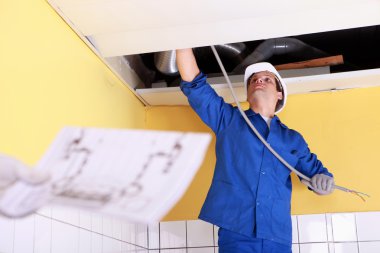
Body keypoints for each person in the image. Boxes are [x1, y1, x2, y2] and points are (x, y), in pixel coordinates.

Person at [176, 48, 334, 253]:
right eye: (253, 80)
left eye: (267, 79)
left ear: (279, 94)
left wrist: (324, 183)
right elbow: (194, 85)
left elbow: (319, 175)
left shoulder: (293, 140)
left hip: (278, 236)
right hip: (236, 233)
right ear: (248, 94)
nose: (258, 80)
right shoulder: (228, 120)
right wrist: (181, 43)